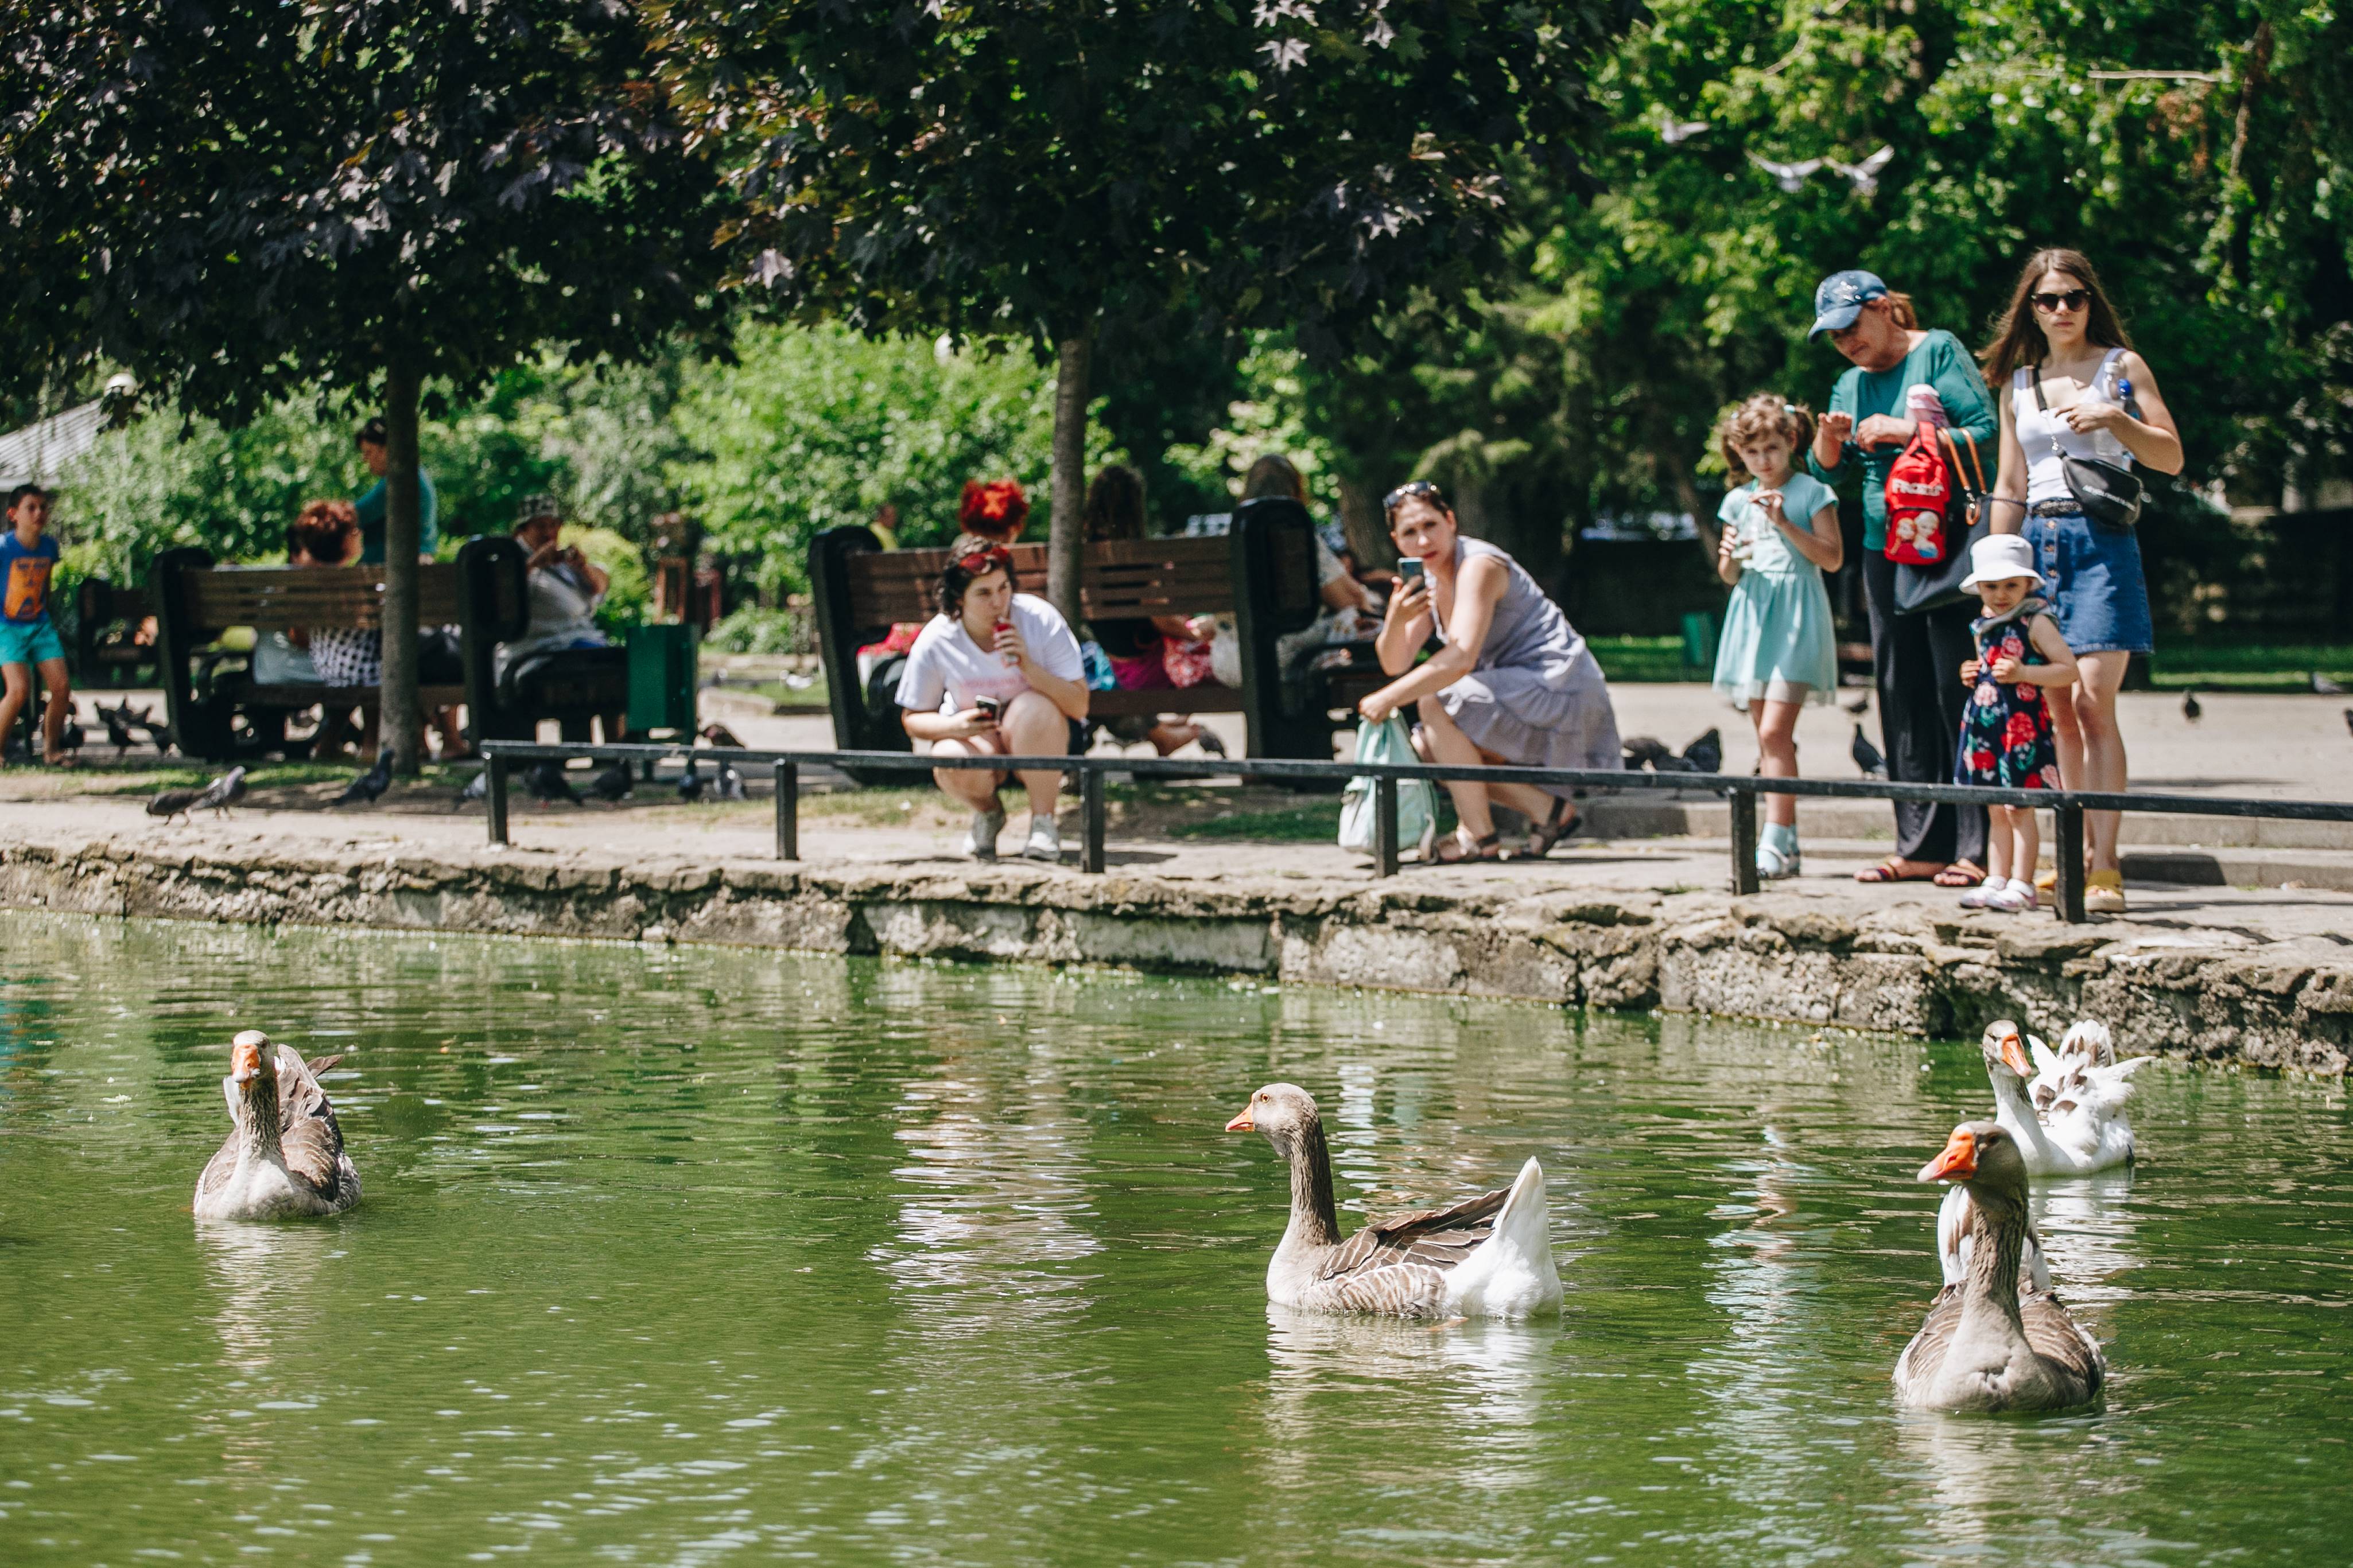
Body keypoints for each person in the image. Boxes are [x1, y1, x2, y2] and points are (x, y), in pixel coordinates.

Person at [1980, 248, 2182, 915]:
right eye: (2047, 300)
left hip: (2100, 540)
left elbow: (2171, 457)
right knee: (2054, 707)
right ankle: (2068, 850)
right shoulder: (2019, 380)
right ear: (2029, 309)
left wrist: (2116, 421)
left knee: (2094, 701)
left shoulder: (2119, 368)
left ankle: (2103, 861)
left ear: (2090, 301)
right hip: (2034, 541)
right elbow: (2009, 482)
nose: (2061, 309)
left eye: (2073, 297)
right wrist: (1993, 560)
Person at [1805, 269, 1997, 889]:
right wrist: (1828, 442)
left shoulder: (1937, 350)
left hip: (1944, 541)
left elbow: (1987, 434)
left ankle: (1978, 848)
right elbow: (1825, 472)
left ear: (1883, 309)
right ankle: (1918, 844)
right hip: (1880, 547)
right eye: (1831, 337)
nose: (1844, 343)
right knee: (1899, 688)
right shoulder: (1847, 382)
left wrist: (1905, 432)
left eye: (1849, 328)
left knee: (1955, 684)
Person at [1358, 480, 1622, 862]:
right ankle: (1549, 812)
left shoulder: (1478, 565)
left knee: (1436, 702)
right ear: (1397, 541)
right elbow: (1395, 662)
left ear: (1451, 520)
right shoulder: (1431, 580)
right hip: (1515, 693)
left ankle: (1478, 836)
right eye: (1410, 532)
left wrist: (1389, 697)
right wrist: (1396, 619)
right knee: (1423, 750)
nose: (1422, 540)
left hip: (1559, 687)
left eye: (1430, 525)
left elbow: (1461, 656)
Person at [1710, 395, 1843, 880]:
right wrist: (1731, 556)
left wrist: (1784, 523)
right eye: (1752, 453)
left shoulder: (1811, 493)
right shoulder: (1736, 500)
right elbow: (1729, 574)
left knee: (1774, 734)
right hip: (1753, 615)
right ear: (1739, 455)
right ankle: (1786, 842)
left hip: (1795, 617)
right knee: (1771, 740)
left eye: (1771, 448)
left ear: (1790, 442)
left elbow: (1831, 559)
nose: (1763, 460)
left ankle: (1771, 840)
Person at [897, 538, 1090, 862]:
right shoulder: (938, 637)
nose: (999, 603)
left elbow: (1079, 705)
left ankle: (1043, 822)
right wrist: (953, 725)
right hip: (978, 740)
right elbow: (913, 718)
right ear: (959, 598)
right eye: (984, 594)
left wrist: (1028, 666)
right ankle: (989, 814)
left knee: (1036, 708)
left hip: (1038, 735)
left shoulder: (1038, 619)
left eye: (1003, 588)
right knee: (946, 754)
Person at [1953, 534, 2079, 913]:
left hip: (2020, 726)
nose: (2001, 594)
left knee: (2019, 807)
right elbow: (1988, 669)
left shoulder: (2036, 622)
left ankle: (2022, 882)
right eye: (1991, 586)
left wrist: (2026, 671)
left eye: (2011, 585)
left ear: (2028, 583)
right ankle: (1997, 875)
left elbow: (2068, 670)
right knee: (1994, 805)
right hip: (1987, 725)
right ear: (1979, 587)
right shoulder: (1983, 625)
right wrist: (1971, 673)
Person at [1079, 464, 1225, 757]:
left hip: (1111, 667)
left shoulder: (1078, 555)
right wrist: (1196, 633)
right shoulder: (1137, 556)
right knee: (1216, 652)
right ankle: (1184, 730)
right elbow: (1164, 622)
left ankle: (1174, 732)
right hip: (1149, 673)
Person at [499, 494, 624, 742]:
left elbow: (600, 586)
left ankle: (617, 754)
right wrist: (533, 565)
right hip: (538, 650)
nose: (549, 533)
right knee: (592, 669)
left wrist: (583, 568)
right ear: (523, 530)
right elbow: (501, 598)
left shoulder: (561, 562)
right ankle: (586, 748)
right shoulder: (511, 560)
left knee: (620, 663)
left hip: (578, 644)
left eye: (554, 525)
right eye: (540, 526)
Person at [286, 500, 381, 757]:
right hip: (363, 668)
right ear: (343, 542)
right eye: (355, 532)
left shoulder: (306, 582)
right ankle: (372, 744)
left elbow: (298, 634)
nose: (360, 535)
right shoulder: (355, 582)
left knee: (359, 668)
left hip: (324, 663)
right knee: (380, 668)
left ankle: (328, 744)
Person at [0, 484, 73, 766]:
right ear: (13, 514)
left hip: (40, 625)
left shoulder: (49, 547)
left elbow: (46, 585)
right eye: (31, 508)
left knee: (61, 687)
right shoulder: (5, 547)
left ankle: (52, 750)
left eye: (43, 507)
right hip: (8, 627)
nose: (39, 513)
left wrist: (44, 614)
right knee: (18, 690)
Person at [352, 417, 439, 565]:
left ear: (386, 450)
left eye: (368, 452)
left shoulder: (400, 480)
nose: (365, 459)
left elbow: (355, 515)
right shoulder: (412, 474)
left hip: (399, 567)